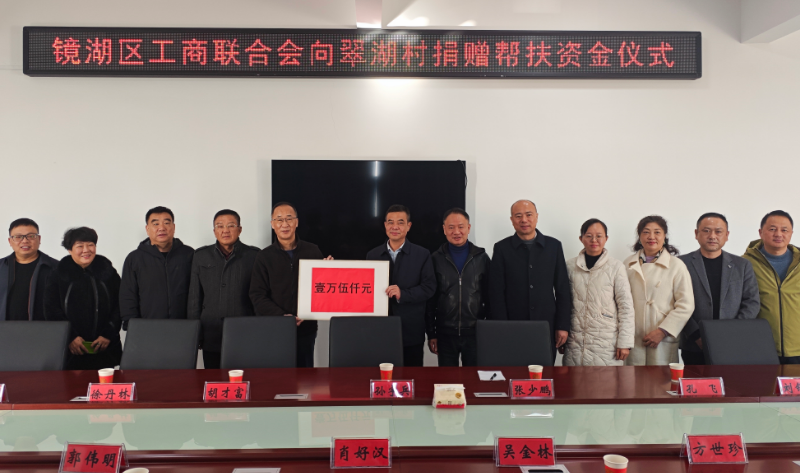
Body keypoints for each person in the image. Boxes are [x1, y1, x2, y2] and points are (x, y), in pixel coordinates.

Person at [250, 202, 332, 368]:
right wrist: (282, 316)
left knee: (305, 375)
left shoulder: (312, 251)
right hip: (276, 327)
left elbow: (322, 289)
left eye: (289, 218)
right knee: (278, 376)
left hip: (306, 328)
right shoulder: (264, 256)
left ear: (297, 222)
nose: (284, 224)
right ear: (272, 224)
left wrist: (330, 271)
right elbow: (257, 295)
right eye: (279, 219)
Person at [489, 200, 571, 361]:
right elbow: (496, 292)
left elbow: (562, 289)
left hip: (546, 324)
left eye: (528, 215)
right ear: (512, 220)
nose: (524, 220)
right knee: (514, 370)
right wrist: (501, 327)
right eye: (518, 216)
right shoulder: (502, 248)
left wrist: (562, 326)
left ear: (536, 217)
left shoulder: (553, 246)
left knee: (544, 372)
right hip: (512, 325)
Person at [678, 213, 759, 365]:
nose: (712, 236)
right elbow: (676, 302)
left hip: (732, 342)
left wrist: (733, 332)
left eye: (718, 231)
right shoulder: (681, 263)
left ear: (727, 235)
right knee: (696, 380)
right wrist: (696, 335)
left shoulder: (742, 265)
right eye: (706, 231)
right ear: (696, 234)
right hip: (694, 344)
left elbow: (751, 302)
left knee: (732, 380)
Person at [188, 209, 260, 369]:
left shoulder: (254, 256)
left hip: (244, 331)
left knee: (244, 380)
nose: (225, 230)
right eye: (220, 226)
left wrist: (258, 329)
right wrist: (195, 332)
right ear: (214, 231)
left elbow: (259, 297)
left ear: (239, 229)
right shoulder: (201, 256)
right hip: (210, 331)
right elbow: (194, 298)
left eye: (231, 225)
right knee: (214, 380)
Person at [366, 204, 436, 367]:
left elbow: (429, 288)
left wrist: (403, 294)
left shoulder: (422, 254)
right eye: (390, 222)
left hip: (411, 329)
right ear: (385, 225)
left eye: (400, 222)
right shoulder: (373, 255)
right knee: (382, 376)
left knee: (412, 376)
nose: (395, 227)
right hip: (380, 329)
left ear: (408, 226)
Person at [44, 227, 122, 370]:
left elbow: (120, 303)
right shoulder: (58, 274)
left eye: (90, 245)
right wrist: (70, 337)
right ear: (70, 249)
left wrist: (108, 334)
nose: (86, 250)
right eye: (80, 246)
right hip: (71, 350)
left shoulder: (108, 272)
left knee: (106, 383)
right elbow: (51, 309)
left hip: (105, 347)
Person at [624, 216, 694, 366]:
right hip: (633, 338)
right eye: (646, 232)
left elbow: (686, 305)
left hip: (663, 339)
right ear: (639, 236)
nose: (651, 237)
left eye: (657, 232)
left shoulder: (676, 266)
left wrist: (663, 331)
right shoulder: (627, 264)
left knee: (661, 379)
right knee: (632, 379)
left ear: (664, 236)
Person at [563, 219, 634, 366]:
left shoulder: (616, 267)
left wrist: (625, 343)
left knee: (604, 380)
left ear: (606, 238)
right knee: (573, 380)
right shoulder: (569, 266)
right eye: (589, 236)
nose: (594, 240)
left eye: (599, 236)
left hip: (606, 344)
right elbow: (562, 303)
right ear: (581, 238)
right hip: (574, 342)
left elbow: (626, 306)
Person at [425, 208, 491, 367]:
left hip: (475, 332)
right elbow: (430, 300)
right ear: (444, 229)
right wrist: (432, 333)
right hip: (445, 333)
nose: (456, 232)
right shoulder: (435, 259)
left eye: (461, 227)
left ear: (468, 228)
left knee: (474, 378)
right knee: (447, 379)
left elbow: (490, 296)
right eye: (451, 227)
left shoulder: (482, 258)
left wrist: (488, 329)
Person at [120, 206, 194, 327]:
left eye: (166, 223)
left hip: (184, 326)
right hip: (147, 327)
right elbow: (127, 295)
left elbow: (198, 292)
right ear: (147, 229)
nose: (161, 228)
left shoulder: (189, 254)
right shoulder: (134, 258)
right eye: (155, 224)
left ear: (174, 227)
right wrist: (132, 325)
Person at [743, 210, 800, 363]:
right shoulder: (745, 264)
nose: (778, 234)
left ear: (791, 233)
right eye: (772, 229)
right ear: (761, 232)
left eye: (784, 230)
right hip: (760, 346)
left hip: (797, 347)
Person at [0, 218, 58, 321]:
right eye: (18, 237)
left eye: (31, 236)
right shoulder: (1, 267)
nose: (25, 241)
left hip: (44, 329)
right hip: (4, 329)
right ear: (10, 241)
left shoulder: (56, 268)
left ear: (39, 239)